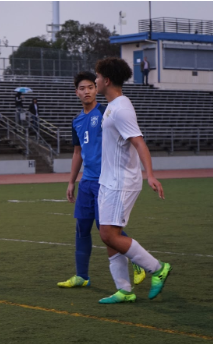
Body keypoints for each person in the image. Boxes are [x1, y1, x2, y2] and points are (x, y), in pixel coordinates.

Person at [57, 71, 146, 288]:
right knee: (82, 227)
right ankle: (82, 276)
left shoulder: (107, 112)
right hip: (87, 182)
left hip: (106, 181)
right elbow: (78, 152)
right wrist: (71, 181)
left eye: (90, 87)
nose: (86, 91)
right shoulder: (77, 121)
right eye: (82, 88)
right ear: (76, 92)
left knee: (107, 230)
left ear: (97, 89)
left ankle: (137, 261)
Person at [95, 57, 171, 304]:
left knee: (109, 233)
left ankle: (157, 268)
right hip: (108, 181)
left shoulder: (121, 109)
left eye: (96, 77)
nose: (94, 81)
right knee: (107, 234)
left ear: (106, 80)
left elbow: (139, 142)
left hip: (121, 182)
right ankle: (124, 290)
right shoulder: (112, 105)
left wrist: (149, 174)